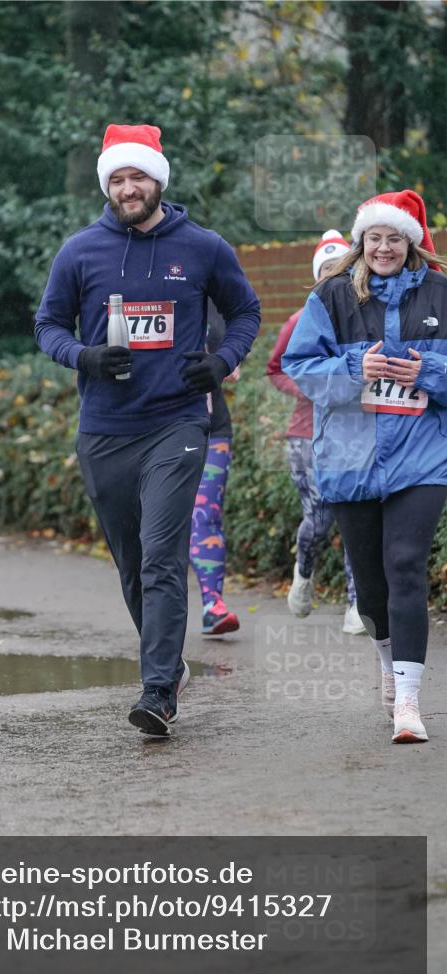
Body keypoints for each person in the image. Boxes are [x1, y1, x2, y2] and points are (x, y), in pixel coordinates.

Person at [35, 123, 260, 736]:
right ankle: (171, 663)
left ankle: (158, 691)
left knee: (162, 555)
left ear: (157, 181)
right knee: (133, 565)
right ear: (106, 185)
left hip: (178, 422)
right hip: (105, 430)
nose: (127, 188)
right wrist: (84, 356)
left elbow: (245, 311)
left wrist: (222, 361)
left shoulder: (203, 246)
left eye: (138, 177)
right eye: (117, 179)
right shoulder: (80, 251)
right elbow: (47, 325)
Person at [282, 190, 447, 743]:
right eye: (374, 237)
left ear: (411, 243)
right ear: (361, 243)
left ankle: (409, 701)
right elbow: (300, 366)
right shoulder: (331, 296)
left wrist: (427, 372)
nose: (383, 248)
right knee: (371, 586)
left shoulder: (441, 293)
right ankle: (387, 663)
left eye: (394, 238)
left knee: (406, 565)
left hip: (422, 458)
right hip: (350, 459)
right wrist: (357, 366)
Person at [267, 231, 366, 634]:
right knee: (321, 518)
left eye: (342, 267)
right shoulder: (300, 320)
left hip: (355, 432)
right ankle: (304, 572)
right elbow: (276, 369)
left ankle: (357, 604)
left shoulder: (366, 317)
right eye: (327, 269)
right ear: (316, 275)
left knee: (356, 517)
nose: (334, 275)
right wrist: (311, 388)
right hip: (307, 434)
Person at [189, 300, 241, 636]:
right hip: (155, 428)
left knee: (205, 515)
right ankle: (154, 611)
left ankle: (213, 605)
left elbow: (231, 368)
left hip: (212, 426)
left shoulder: (212, 304)